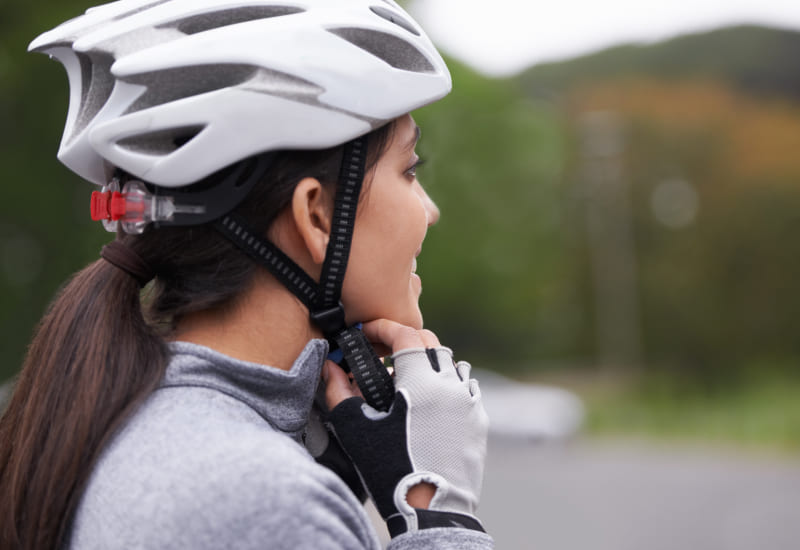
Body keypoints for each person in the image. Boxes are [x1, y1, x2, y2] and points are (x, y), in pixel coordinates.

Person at [0, 1, 492, 549]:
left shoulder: (145, 423)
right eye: (409, 170)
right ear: (317, 216)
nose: (430, 210)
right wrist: (440, 517)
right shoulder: (263, 504)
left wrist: (324, 471)